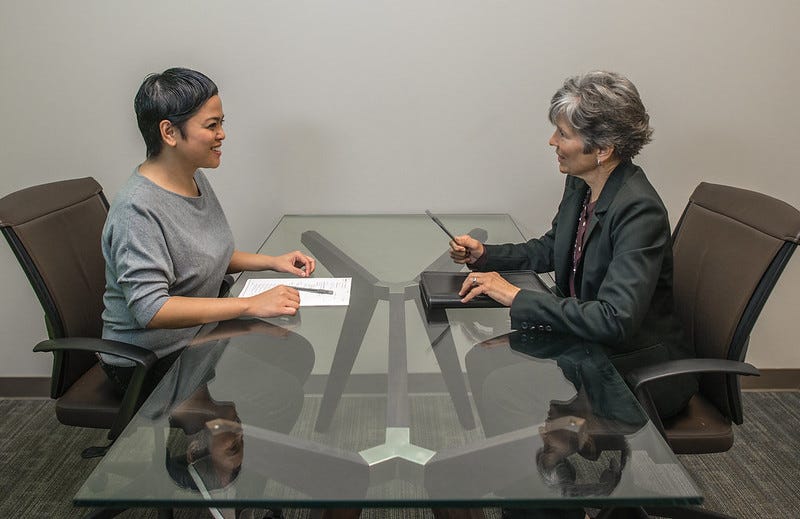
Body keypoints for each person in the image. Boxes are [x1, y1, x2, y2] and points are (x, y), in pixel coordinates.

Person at [450, 71, 697, 419]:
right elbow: (553, 248)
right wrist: (486, 256)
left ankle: (536, 462)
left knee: (500, 381)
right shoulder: (582, 184)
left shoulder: (640, 210)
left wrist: (517, 296)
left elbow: (615, 320)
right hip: (590, 345)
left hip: (633, 368)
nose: (553, 141)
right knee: (484, 358)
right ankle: (535, 459)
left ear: (602, 149)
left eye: (563, 134)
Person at [99, 67, 316, 396]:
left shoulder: (192, 177)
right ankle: (212, 441)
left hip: (194, 337)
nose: (222, 135)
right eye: (212, 125)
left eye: (221, 124)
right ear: (169, 132)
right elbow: (152, 309)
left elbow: (204, 255)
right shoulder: (137, 210)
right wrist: (250, 305)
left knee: (296, 354)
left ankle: (225, 438)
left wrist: (272, 262)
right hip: (149, 360)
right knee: (276, 390)